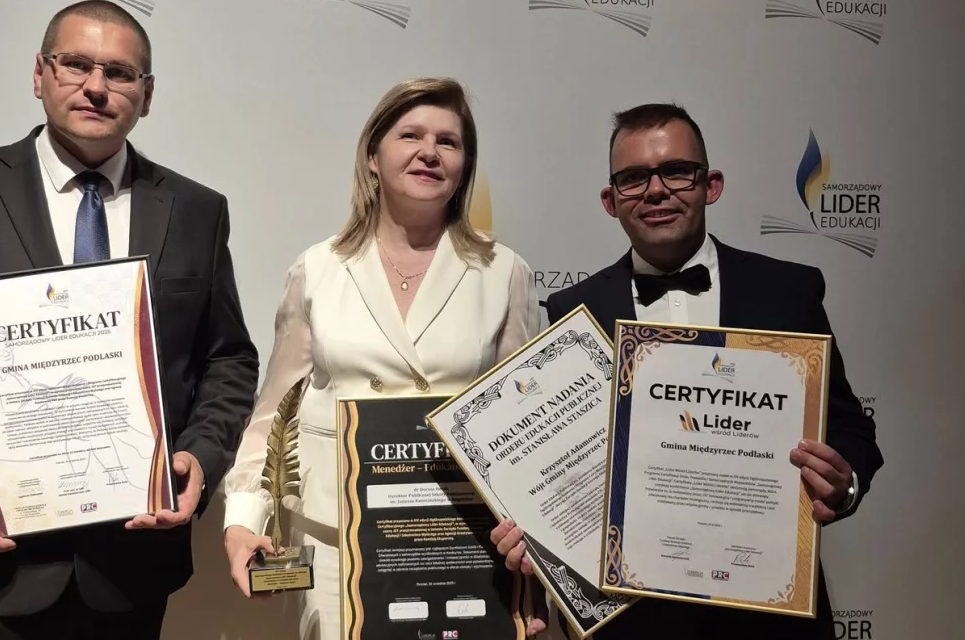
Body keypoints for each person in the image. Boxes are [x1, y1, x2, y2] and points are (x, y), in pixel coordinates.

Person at [0, 0, 259, 639]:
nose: (96, 86)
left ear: (147, 95)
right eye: (76, 65)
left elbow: (228, 357)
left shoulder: (197, 210)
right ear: (40, 74)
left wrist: (200, 456)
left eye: (119, 73)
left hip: (128, 569)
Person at [491, 103, 883, 640]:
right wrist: (536, 532)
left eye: (676, 171)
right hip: (630, 620)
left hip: (768, 617)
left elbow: (850, 428)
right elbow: (554, 462)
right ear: (610, 201)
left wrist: (843, 484)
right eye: (634, 178)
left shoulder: (788, 291)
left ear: (710, 185)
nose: (656, 191)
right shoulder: (572, 311)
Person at [221, 77, 543, 639]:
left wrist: (535, 553)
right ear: (373, 156)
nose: (429, 152)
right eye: (410, 135)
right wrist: (244, 520)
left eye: (448, 141)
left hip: (461, 546)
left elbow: (528, 426)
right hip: (335, 544)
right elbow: (274, 412)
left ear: (465, 165)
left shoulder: (504, 272)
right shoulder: (317, 269)